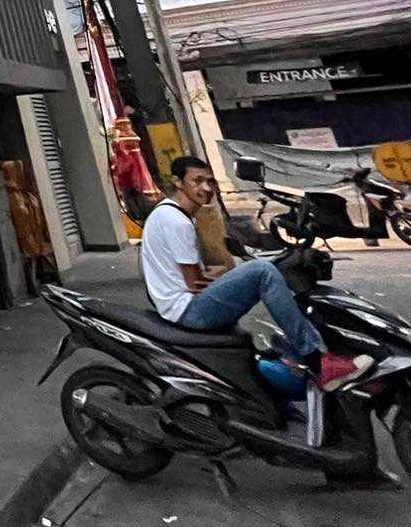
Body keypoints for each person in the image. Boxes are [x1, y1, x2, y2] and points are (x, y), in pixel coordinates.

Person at [141, 156, 374, 392]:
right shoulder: (177, 222)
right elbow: (194, 283)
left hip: (177, 303)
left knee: (254, 272)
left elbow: (187, 273)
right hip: (188, 311)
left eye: (210, 181)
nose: (206, 188)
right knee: (262, 272)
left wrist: (229, 276)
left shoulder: (166, 213)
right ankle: (319, 362)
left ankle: (294, 357)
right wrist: (238, 279)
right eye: (197, 181)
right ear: (178, 182)